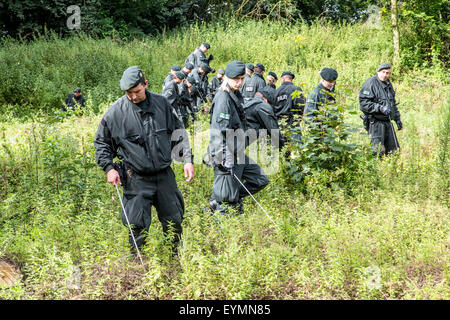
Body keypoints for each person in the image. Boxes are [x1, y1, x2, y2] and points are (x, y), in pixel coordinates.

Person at [93, 66, 194, 256]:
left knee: (174, 219)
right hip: (136, 177)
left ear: (146, 85)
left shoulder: (162, 104)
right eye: (128, 93)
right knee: (136, 224)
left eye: (137, 91)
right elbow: (101, 142)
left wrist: (187, 159)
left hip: (164, 175)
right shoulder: (116, 113)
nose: (133, 96)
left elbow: (178, 132)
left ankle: (174, 259)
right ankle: (139, 265)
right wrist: (109, 168)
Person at [207, 61, 269, 215]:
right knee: (225, 206)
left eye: (242, 78)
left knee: (260, 179)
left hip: (237, 152)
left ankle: (225, 198)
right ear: (227, 78)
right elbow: (218, 132)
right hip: (225, 155)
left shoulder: (235, 94)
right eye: (236, 79)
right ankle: (220, 211)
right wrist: (224, 157)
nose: (240, 82)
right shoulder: (223, 98)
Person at [359, 63, 402, 156]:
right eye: (383, 72)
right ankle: (375, 170)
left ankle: (390, 170)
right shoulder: (370, 83)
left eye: (388, 73)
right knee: (377, 152)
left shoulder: (388, 84)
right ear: (378, 72)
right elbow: (363, 103)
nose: (385, 75)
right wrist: (380, 108)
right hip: (376, 123)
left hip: (388, 121)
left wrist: (397, 118)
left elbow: (392, 103)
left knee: (394, 151)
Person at [273, 71, 305, 143]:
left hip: (280, 123)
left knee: (282, 149)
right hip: (293, 123)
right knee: (296, 148)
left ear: (283, 79)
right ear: (291, 79)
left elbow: (273, 108)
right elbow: (302, 106)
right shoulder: (296, 89)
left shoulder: (276, 91)